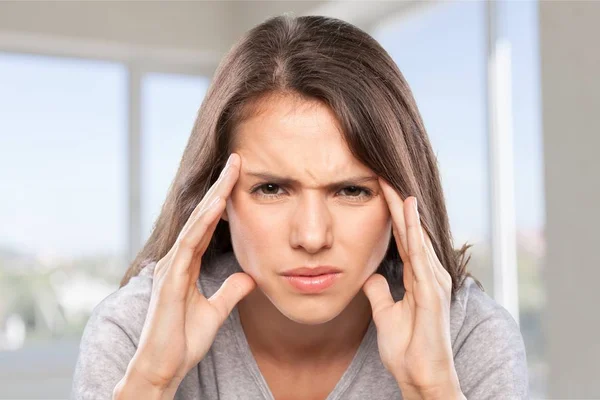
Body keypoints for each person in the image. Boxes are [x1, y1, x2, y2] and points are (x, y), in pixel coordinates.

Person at [71, 14, 528, 400]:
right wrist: (151, 382)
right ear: (218, 197)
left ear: (401, 198)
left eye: (351, 190)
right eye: (271, 188)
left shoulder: (470, 336)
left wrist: (431, 390)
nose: (312, 237)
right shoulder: (134, 331)